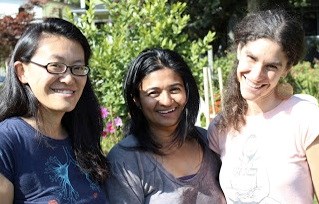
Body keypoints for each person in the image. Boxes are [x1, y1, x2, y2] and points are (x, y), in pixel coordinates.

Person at [208, 9, 319, 203]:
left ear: (286, 69)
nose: (257, 74)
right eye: (252, 58)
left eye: (271, 66)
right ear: (240, 49)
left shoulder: (305, 117)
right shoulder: (220, 126)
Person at [0, 18, 109, 203]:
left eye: (77, 68)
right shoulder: (7, 142)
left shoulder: (81, 137)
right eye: (55, 66)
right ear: (22, 72)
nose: (68, 78)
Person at [105, 48, 226, 203]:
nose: (167, 101)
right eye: (153, 93)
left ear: (187, 91)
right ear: (136, 99)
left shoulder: (209, 141)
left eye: (174, 89)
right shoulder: (125, 161)